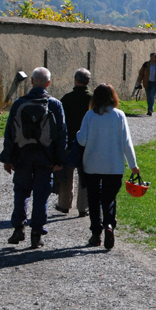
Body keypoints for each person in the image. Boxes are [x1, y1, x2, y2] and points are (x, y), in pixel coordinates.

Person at [0, 67, 67, 248]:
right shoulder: (54, 105)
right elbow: (61, 135)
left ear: (31, 82)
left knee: (21, 191)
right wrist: (60, 160)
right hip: (46, 157)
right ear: (48, 83)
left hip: (23, 155)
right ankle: (36, 232)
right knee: (41, 194)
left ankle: (18, 227)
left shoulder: (19, 103)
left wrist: (8, 158)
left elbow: (10, 134)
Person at [75, 83, 139, 250]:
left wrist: (77, 133)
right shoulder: (119, 116)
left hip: (92, 165)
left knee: (94, 199)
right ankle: (109, 225)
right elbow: (127, 142)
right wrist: (133, 165)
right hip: (114, 165)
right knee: (109, 198)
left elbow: (82, 140)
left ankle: (96, 234)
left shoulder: (89, 116)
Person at [55, 68, 93, 216]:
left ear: (75, 80)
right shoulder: (92, 100)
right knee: (84, 176)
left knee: (66, 175)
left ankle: (64, 204)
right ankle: (83, 207)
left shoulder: (66, 99)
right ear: (88, 82)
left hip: (69, 142)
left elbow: (60, 122)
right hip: (87, 144)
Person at [136, 52, 156, 116]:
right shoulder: (146, 65)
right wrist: (139, 82)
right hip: (147, 82)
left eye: (153, 57)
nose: (152, 59)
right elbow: (141, 74)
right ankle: (149, 109)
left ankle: (150, 110)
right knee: (148, 96)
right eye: (151, 57)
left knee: (152, 96)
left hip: (154, 83)